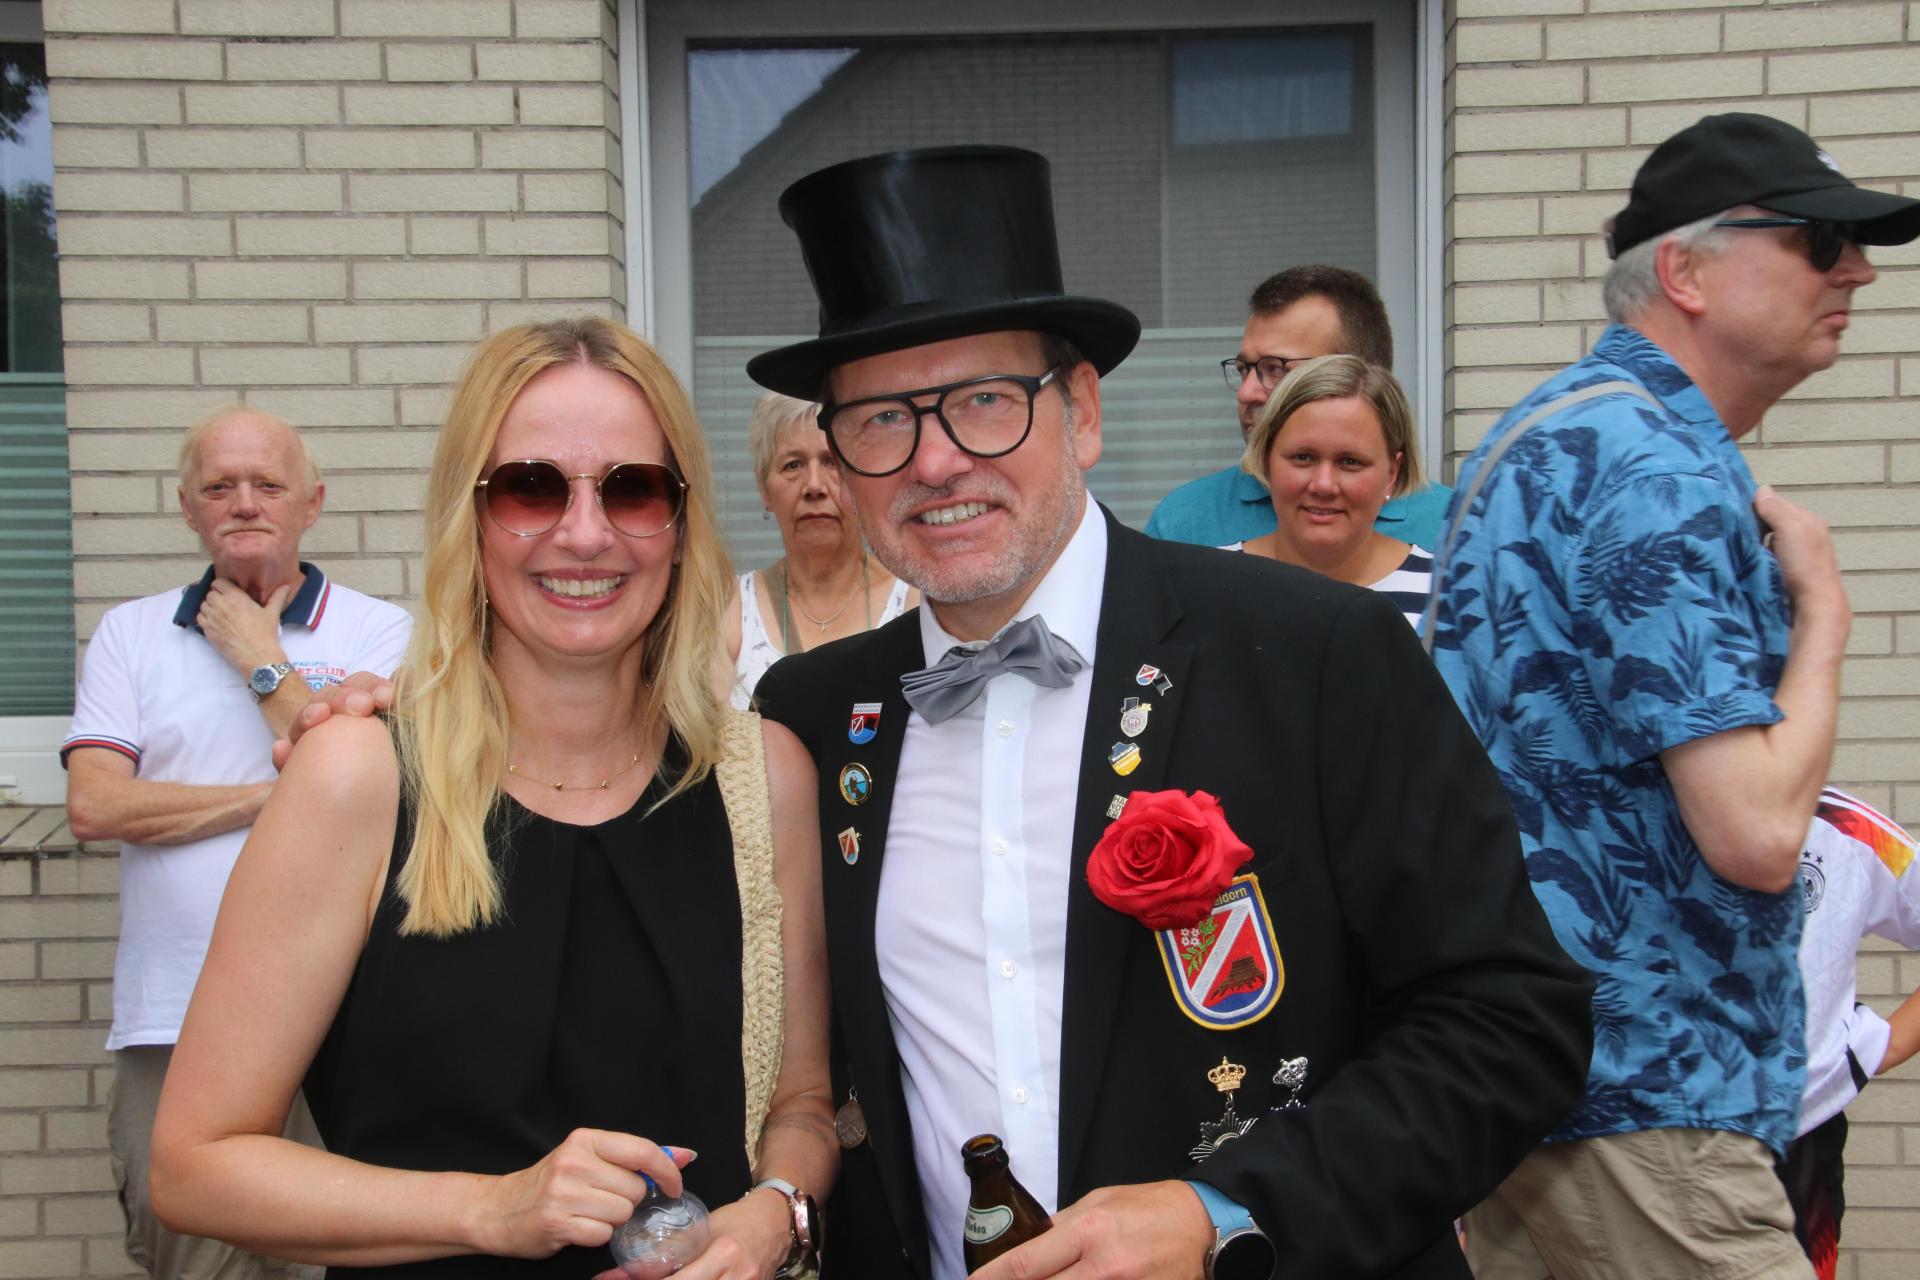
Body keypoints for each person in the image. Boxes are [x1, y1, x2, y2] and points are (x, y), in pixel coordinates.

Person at [745, 144, 1594, 1280]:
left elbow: (1512, 1023)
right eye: (882, 419)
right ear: (838, 459)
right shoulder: (814, 712)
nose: (935, 460)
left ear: (1082, 412)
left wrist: (1222, 1212)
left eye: (986, 401)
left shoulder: (1317, 653)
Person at [146, 317, 835, 1280]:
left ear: (680, 525)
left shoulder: (763, 780)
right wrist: (494, 1208)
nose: (585, 533)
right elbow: (193, 1167)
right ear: (469, 514)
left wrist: (772, 1218)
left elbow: (802, 1105)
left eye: (632, 489)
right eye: (531, 486)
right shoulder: (358, 776)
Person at [1428, 113, 1920, 1280]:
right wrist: (1828, 617)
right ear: (1684, 270)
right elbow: (1754, 831)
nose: (1855, 268)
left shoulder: (1556, 433)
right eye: (1815, 238)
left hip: (1545, 1075)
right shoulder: (1653, 468)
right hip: (1647, 1094)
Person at [62, 406, 413, 1280]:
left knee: (342, 1257)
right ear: (187, 507)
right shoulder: (130, 634)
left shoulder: (379, 631)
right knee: (189, 1254)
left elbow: (384, 785)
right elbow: (96, 806)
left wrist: (260, 658)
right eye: (219, 485)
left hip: (340, 1012)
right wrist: (283, 796)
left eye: (268, 484)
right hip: (172, 1016)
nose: (244, 503)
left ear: (313, 503)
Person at [1144, 265, 1452, 551]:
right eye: (1243, 369)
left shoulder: (1454, 531)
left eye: (1276, 369)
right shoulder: (1187, 523)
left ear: (1355, 377)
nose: (1247, 392)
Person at [1780, 788, 1920, 1280]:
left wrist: (1882, 1045)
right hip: (1628, 1139)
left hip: (1798, 1138)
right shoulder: (1597, 804)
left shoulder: (1844, 824)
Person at [725, 391, 915, 708]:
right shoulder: (731, 608)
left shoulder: (916, 603)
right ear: (764, 490)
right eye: (793, 465)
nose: (814, 485)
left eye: (831, 463)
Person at [1226, 355, 1432, 628]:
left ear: (1391, 473)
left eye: (1350, 462)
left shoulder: (1447, 595)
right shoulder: (1206, 585)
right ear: (1266, 460)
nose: (1323, 485)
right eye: (1303, 457)